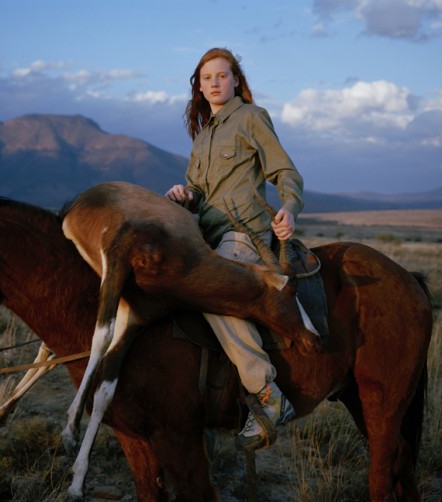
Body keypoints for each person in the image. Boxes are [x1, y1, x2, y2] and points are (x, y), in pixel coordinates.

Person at [165, 47, 310, 451]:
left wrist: (289, 208)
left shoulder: (250, 117)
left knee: (212, 293)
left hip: (243, 237)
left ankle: (268, 394)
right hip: (206, 239)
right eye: (206, 77)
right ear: (200, 86)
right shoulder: (203, 136)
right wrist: (184, 194)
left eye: (222, 75)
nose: (214, 82)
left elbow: (285, 171)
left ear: (235, 80)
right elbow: (199, 192)